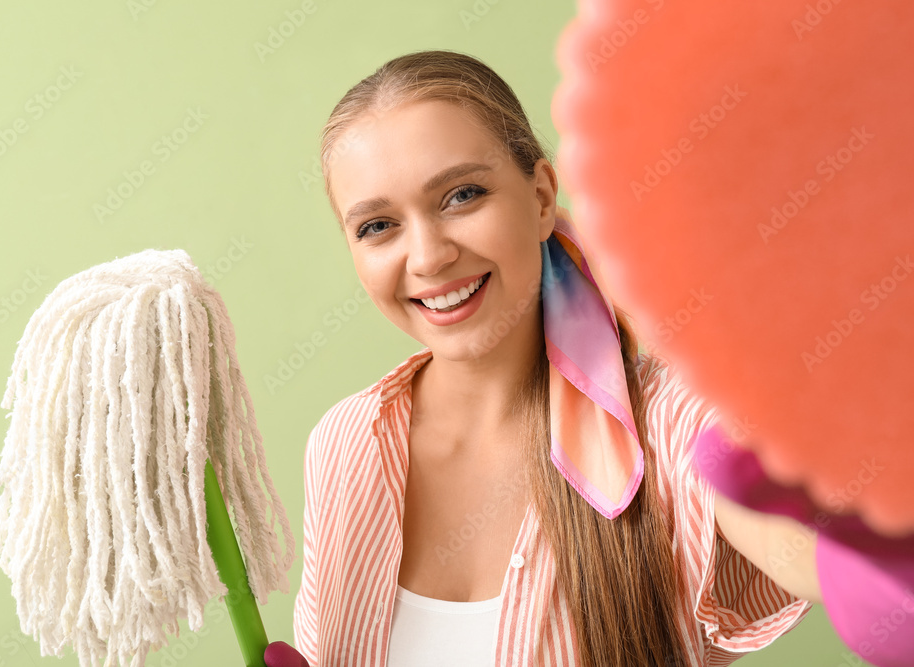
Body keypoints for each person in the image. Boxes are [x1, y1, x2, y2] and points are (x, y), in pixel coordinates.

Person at [267, 49, 823, 667]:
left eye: (461, 195)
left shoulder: (667, 427)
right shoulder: (346, 444)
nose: (427, 257)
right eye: (377, 226)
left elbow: (823, 547)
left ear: (539, 196)